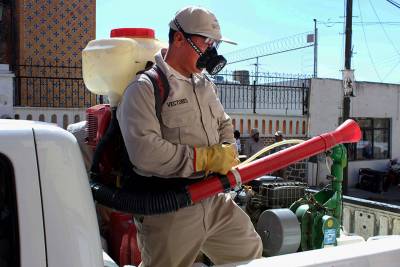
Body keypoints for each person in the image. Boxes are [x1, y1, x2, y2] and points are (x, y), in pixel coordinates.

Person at [117, 6, 262, 267]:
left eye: (215, 43)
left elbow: (223, 124)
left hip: (214, 198)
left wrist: (227, 148)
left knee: (248, 251)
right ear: (179, 38)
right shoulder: (145, 89)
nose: (212, 51)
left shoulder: (205, 85)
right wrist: (205, 159)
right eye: (206, 42)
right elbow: (145, 153)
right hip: (171, 207)